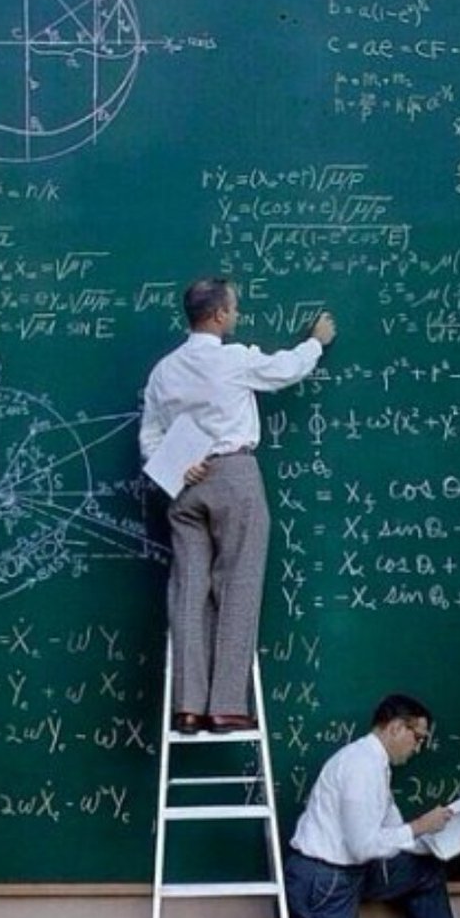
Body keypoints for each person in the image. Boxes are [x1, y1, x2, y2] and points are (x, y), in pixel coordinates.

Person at [139, 277, 335, 733]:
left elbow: (149, 434)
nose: (239, 315)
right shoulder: (232, 359)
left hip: (184, 483)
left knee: (189, 589)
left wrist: (175, 464)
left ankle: (187, 705)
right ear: (219, 315)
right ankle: (225, 704)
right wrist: (316, 343)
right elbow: (285, 369)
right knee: (238, 585)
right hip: (233, 474)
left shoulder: (163, 370)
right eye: (235, 308)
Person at [285, 693, 460, 918]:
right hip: (324, 881)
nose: (419, 748)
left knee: (425, 868)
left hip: (352, 872)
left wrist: (455, 842)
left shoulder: (378, 765)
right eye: (418, 738)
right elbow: (364, 847)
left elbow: (398, 835)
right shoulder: (360, 767)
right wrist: (419, 826)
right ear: (395, 728)